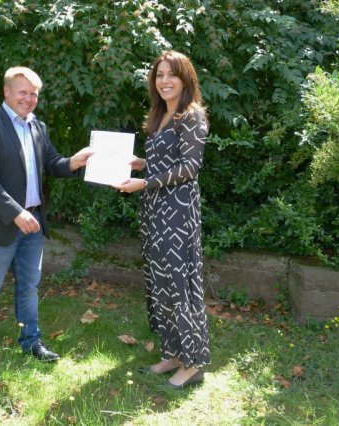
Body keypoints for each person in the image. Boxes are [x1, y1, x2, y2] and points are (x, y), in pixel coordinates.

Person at [0, 66, 93, 364]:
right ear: (6, 91)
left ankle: (31, 341)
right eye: (23, 92)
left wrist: (75, 161)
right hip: (0, 225)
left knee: (29, 287)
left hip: (32, 225)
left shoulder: (37, 126)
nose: (29, 99)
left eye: (34, 94)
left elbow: (53, 164)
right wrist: (15, 212)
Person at [113, 50, 210, 389]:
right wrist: (142, 164)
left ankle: (193, 362)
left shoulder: (192, 115)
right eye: (159, 75)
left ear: (185, 79)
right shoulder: (161, 115)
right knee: (161, 282)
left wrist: (145, 182)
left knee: (180, 283)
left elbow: (190, 167)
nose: (164, 81)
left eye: (172, 74)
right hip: (155, 209)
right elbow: (167, 162)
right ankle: (173, 353)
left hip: (178, 212)